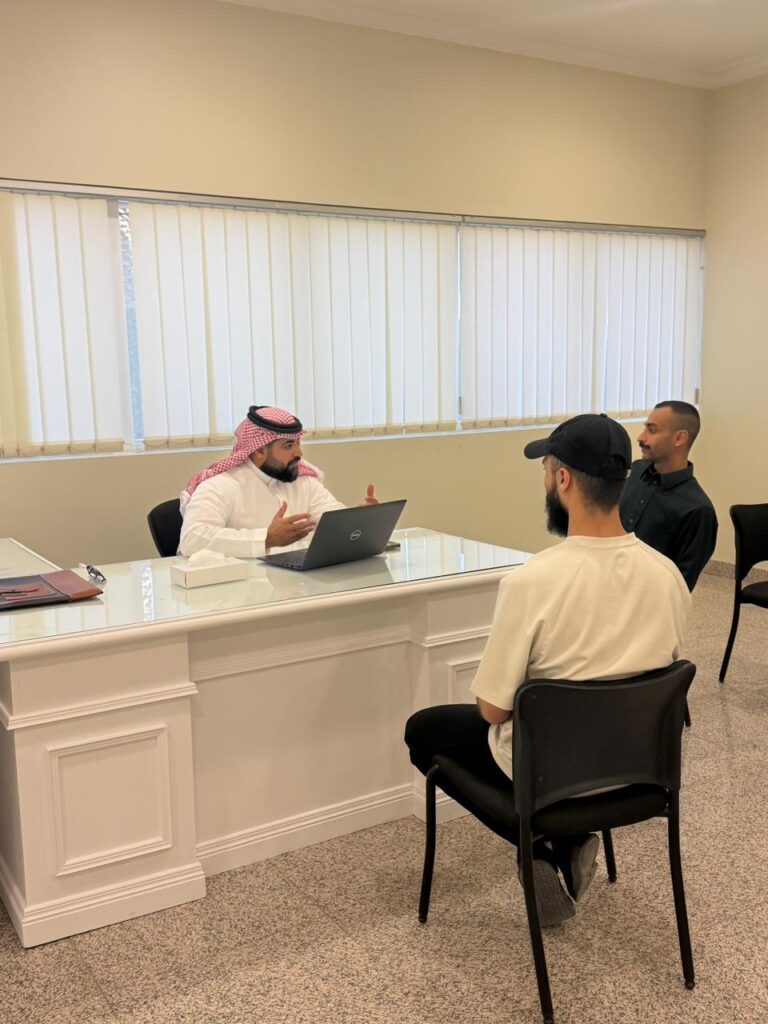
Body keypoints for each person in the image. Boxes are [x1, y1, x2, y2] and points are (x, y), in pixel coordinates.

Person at [405, 414, 690, 927]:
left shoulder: (531, 582)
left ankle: (541, 843)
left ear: (562, 479)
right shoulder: (667, 575)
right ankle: (568, 840)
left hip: (551, 775)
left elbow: (493, 711)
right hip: (640, 770)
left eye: (546, 471)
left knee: (424, 732)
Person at [179, 405, 377, 558]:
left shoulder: (304, 482)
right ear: (259, 450)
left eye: (298, 443)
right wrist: (266, 539)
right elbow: (192, 539)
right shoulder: (220, 486)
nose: (299, 453)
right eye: (288, 446)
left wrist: (358, 521)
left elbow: (332, 523)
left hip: (298, 586)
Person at [619, 401, 717, 590]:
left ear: (679, 438)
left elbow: (680, 587)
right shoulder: (635, 472)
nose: (640, 437)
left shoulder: (698, 510)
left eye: (652, 430)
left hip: (646, 602)